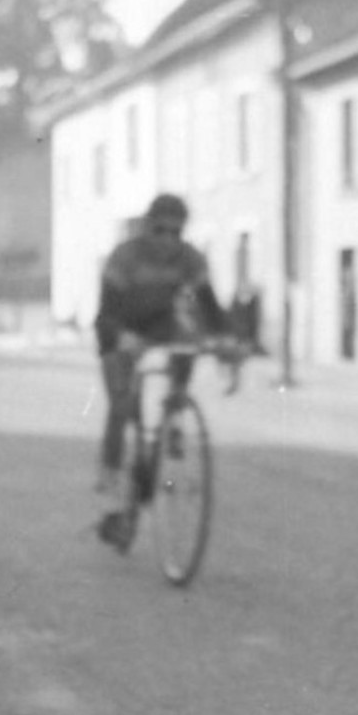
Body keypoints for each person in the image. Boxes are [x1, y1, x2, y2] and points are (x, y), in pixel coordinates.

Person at [93, 193, 228, 541]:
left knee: (186, 347)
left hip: (159, 329)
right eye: (161, 230)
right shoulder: (125, 256)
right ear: (148, 227)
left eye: (176, 232)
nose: (168, 239)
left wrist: (225, 339)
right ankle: (109, 498)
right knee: (122, 408)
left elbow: (209, 304)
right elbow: (106, 312)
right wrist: (121, 338)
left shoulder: (189, 258)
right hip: (119, 329)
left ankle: (173, 414)